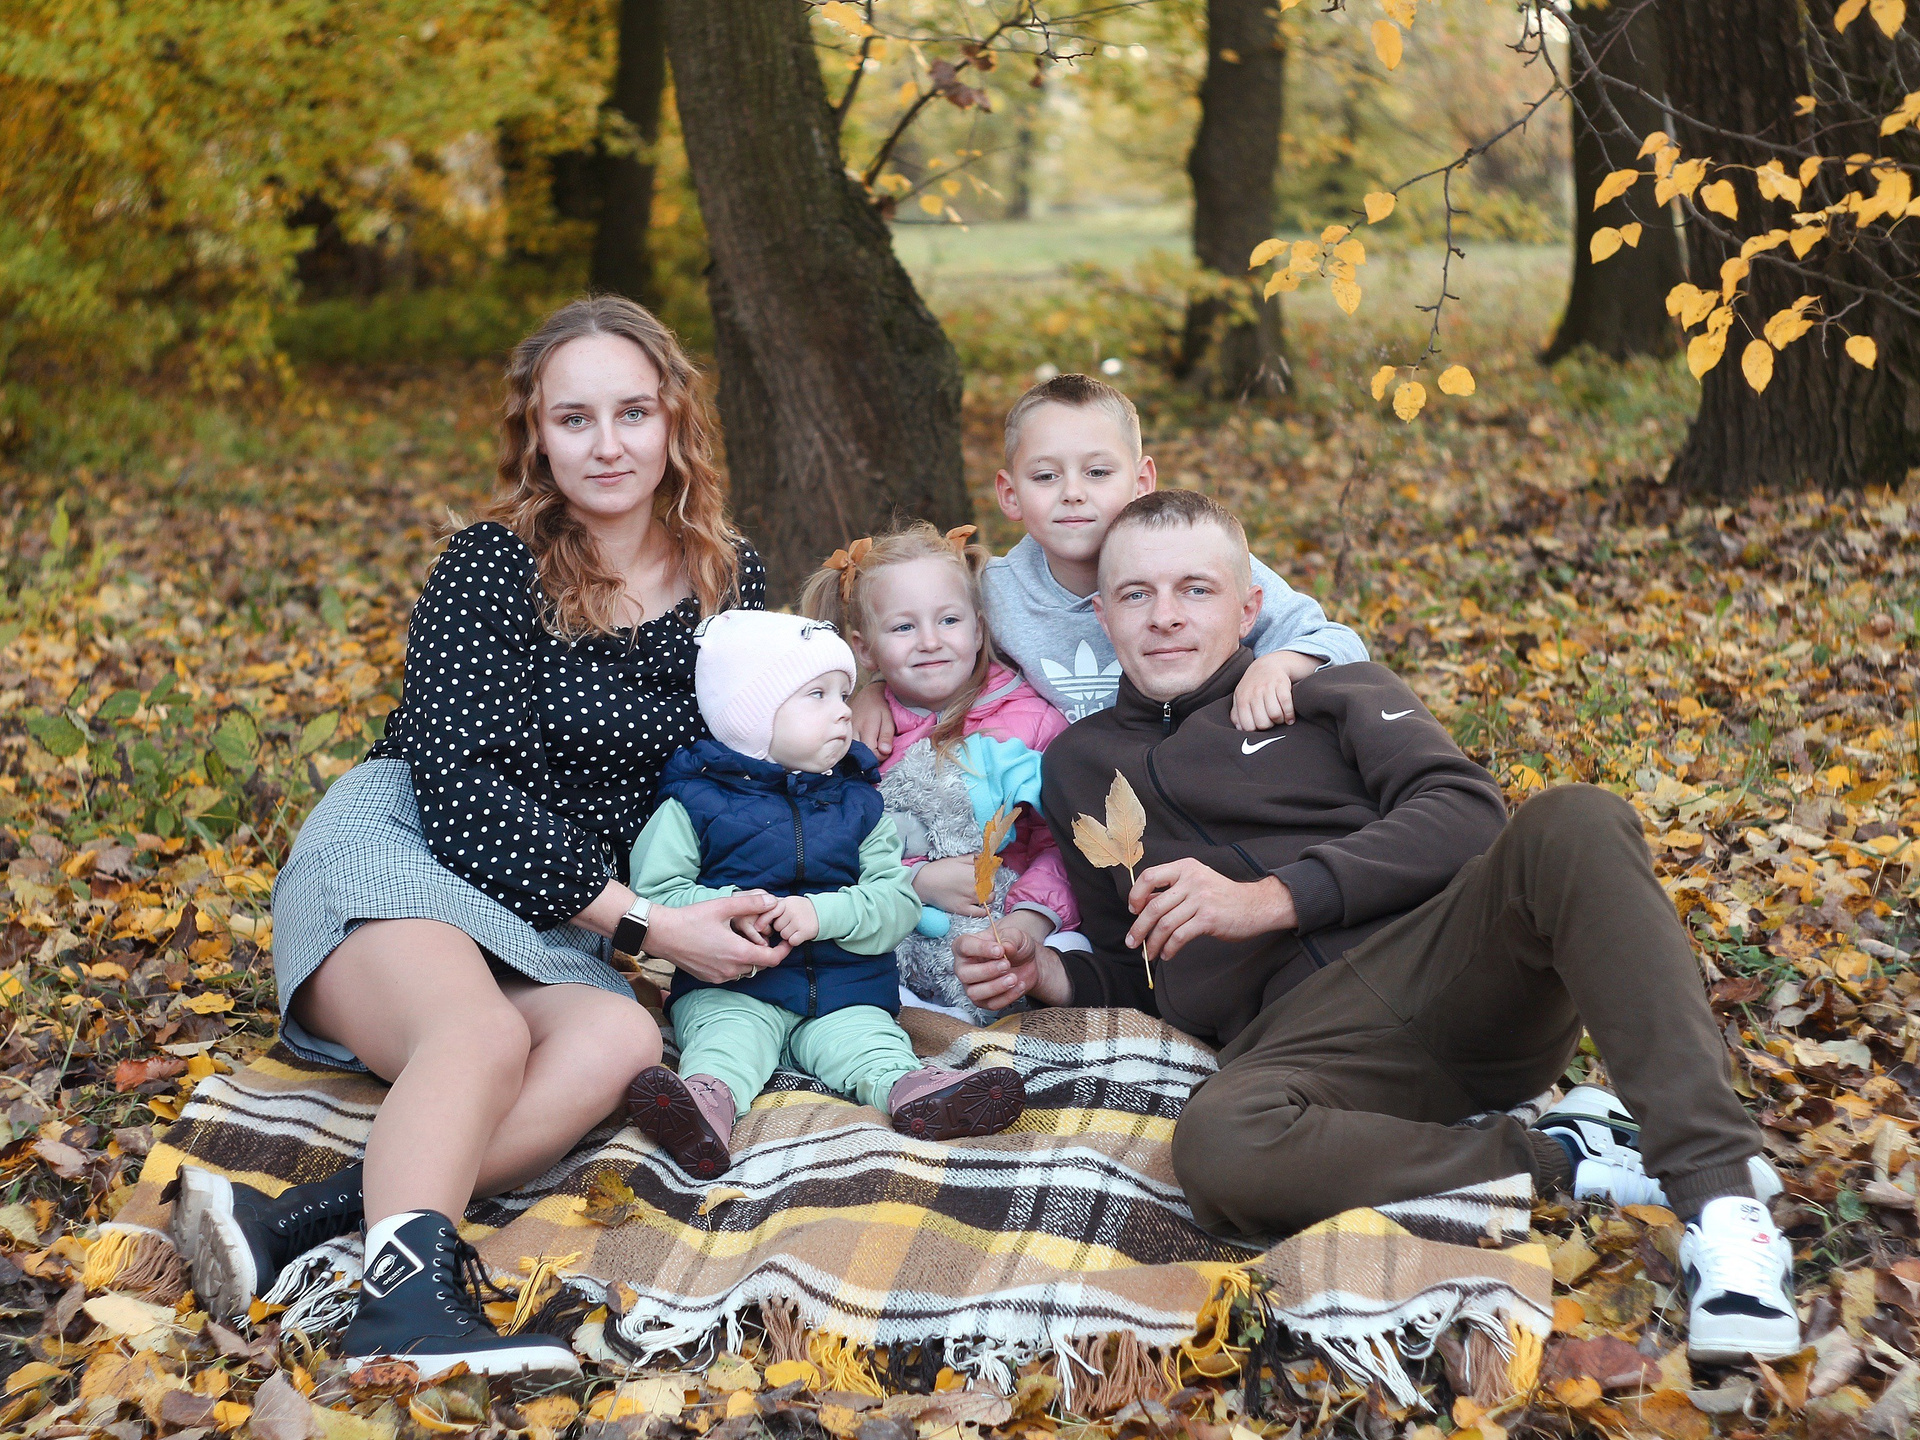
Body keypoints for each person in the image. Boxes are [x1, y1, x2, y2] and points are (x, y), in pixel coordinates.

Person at [951, 488, 1800, 1365]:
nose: (1166, 616)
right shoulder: (1078, 766)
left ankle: (1722, 1205)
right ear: (1103, 615)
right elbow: (1137, 961)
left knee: (1577, 820)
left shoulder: (1334, 690)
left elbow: (1466, 814)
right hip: (1309, 1046)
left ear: (1248, 607)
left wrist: (1273, 897)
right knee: (1217, 1145)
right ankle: (1559, 1159)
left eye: (1196, 590)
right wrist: (1047, 973)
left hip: (1453, 969)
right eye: (1137, 595)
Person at [170, 297, 791, 1375]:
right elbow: (461, 796)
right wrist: (647, 925)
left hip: (556, 914)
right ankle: (402, 1315)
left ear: (675, 420)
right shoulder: (490, 566)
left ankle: (299, 1221)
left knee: (620, 1040)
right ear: (536, 434)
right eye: (575, 418)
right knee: (484, 1038)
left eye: (634, 412)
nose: (607, 445)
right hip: (407, 849)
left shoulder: (733, 581)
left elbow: (748, 762)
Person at [623, 609, 1026, 1179]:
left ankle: (918, 1094)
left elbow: (897, 904)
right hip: (732, 988)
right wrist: (734, 910)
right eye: (817, 695)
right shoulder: (692, 805)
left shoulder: (860, 806)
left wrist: (823, 913)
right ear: (751, 717)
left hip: (844, 988)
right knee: (726, 1045)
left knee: (872, 1046)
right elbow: (654, 897)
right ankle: (701, 1107)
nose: (843, 711)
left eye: (844, 694)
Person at [798, 521, 1079, 1025]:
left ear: (979, 629)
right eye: (903, 628)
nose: (929, 641)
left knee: (1073, 955)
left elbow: (1060, 843)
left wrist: (1028, 922)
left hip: (1016, 929)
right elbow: (825, 843)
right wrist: (917, 882)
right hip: (898, 941)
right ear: (865, 648)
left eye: (948, 620)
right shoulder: (855, 737)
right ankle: (916, 1035)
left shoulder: (1031, 723)